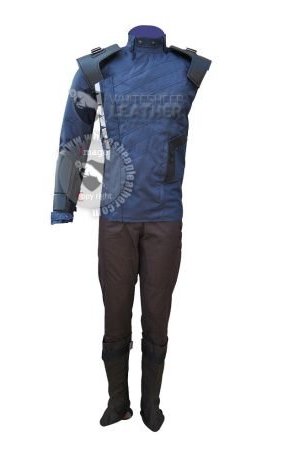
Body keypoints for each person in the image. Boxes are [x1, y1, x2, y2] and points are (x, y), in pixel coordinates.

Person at [51, 25, 211, 431]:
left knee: (158, 315)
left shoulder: (188, 69)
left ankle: (150, 406)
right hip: (116, 216)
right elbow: (75, 134)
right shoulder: (98, 70)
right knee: (116, 314)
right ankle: (117, 403)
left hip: (165, 216)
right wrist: (64, 204)